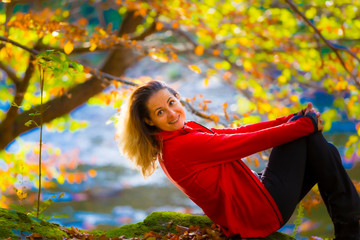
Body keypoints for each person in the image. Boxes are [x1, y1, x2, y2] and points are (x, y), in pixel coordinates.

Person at [115, 80, 360, 240]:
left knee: (326, 151)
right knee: (310, 139)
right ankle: (349, 226)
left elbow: (236, 132)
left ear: (178, 98)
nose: (171, 113)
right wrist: (303, 124)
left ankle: (349, 224)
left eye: (172, 103)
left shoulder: (182, 132)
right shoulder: (179, 147)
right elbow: (246, 143)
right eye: (160, 112)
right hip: (258, 213)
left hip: (255, 196)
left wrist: (290, 119)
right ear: (149, 122)